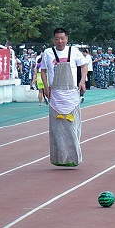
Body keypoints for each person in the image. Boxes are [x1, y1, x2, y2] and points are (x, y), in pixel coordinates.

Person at [40, 27, 87, 167]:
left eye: (62, 38)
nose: (60, 41)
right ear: (53, 39)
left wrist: (82, 81)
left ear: (67, 38)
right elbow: (43, 71)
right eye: (57, 39)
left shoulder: (74, 52)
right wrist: (46, 87)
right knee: (57, 127)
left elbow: (84, 66)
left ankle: (74, 157)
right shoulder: (48, 53)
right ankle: (59, 157)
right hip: (55, 93)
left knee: (72, 126)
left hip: (71, 92)